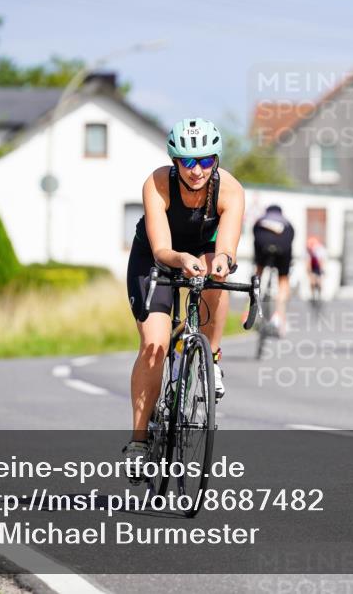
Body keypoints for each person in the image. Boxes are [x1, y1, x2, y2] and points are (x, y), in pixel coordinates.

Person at [122, 118, 244, 467]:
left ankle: (212, 357)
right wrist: (181, 259)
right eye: (188, 162)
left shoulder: (230, 190)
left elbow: (226, 248)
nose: (197, 170)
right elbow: (162, 250)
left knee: (216, 273)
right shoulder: (158, 183)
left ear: (216, 160)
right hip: (156, 258)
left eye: (205, 160)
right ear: (175, 162)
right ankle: (139, 440)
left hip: (203, 252)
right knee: (155, 344)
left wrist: (221, 262)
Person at [252, 204, 294, 336]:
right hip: (283, 248)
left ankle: (251, 303)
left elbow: (255, 238)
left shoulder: (260, 221)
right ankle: (281, 318)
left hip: (262, 247)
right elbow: (291, 239)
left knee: (258, 271)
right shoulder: (287, 223)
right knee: (283, 279)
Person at [306, 235, 326, 304]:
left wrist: (322, 269)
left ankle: (319, 294)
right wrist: (308, 270)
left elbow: (321, 261)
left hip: (318, 268)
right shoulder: (308, 251)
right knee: (312, 282)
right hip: (313, 268)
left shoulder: (319, 250)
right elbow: (307, 261)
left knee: (319, 282)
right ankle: (313, 295)